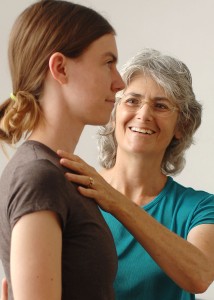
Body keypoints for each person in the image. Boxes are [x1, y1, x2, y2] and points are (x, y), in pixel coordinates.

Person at [55, 49, 214, 300]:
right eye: (132, 101)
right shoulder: (73, 191)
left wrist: (116, 201)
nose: (143, 114)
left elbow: (200, 275)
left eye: (160, 105)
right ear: (114, 112)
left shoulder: (199, 208)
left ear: (182, 126)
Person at [0, 1, 124, 299]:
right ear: (60, 67)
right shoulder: (39, 176)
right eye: (108, 62)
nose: (119, 83)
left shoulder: (56, 172)